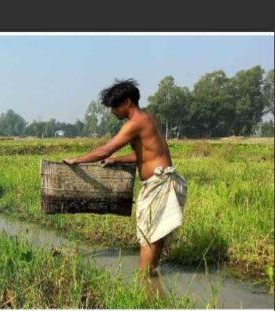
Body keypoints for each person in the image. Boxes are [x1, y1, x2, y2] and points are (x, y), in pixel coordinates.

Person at [63, 79, 187, 277]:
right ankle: (151, 275)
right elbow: (147, 154)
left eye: (115, 106)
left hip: (159, 184)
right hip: (165, 180)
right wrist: (117, 160)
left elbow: (105, 149)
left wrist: (77, 160)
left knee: (149, 235)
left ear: (128, 103)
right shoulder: (150, 119)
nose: (113, 111)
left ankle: (143, 282)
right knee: (157, 234)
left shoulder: (135, 123)